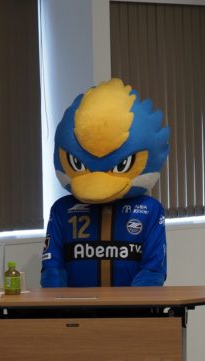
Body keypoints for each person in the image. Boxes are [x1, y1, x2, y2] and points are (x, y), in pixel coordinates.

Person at [41, 79, 169, 288]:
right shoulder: (62, 209)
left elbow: (153, 270)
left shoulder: (150, 210)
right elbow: (52, 269)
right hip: (76, 308)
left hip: (130, 308)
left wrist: (135, 305)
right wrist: (59, 304)